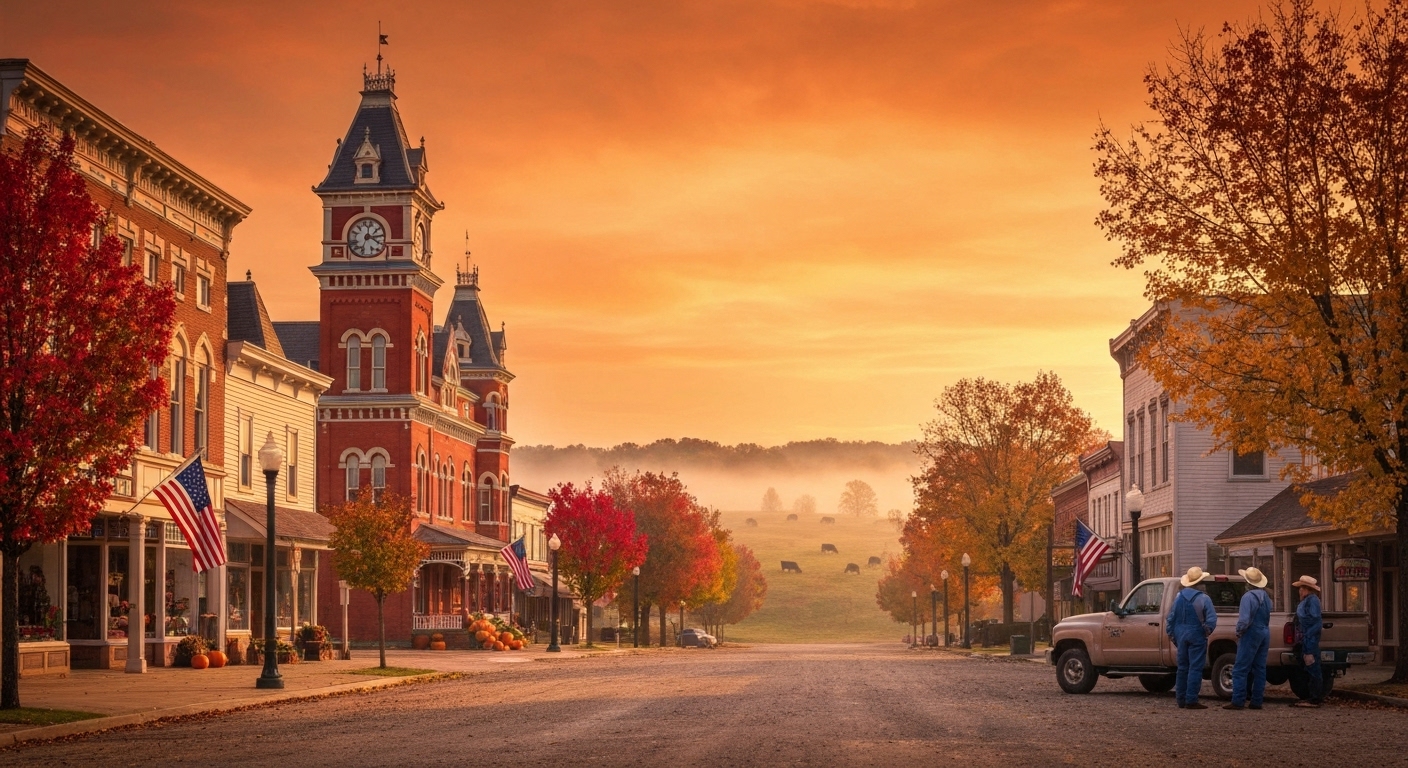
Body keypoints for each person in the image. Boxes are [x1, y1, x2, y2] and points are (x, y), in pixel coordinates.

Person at [1166, 566, 1217, 709]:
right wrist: (1206, 631)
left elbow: (1170, 618)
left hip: (1180, 634)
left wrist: (1172, 634)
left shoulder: (1178, 597)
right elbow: (1211, 620)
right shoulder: (1204, 598)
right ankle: (1191, 700)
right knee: (1195, 667)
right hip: (1196, 634)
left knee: (1182, 668)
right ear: (1199, 582)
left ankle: (1180, 699)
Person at [1225, 566, 1272, 710]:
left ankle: (1238, 700)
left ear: (1248, 582)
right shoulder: (1267, 598)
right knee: (1259, 668)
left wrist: (1239, 632)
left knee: (1240, 668)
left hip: (1251, 632)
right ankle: (1257, 701)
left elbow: (1244, 620)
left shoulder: (1248, 597)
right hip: (1264, 631)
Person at [1293, 575, 1324, 708]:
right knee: (1308, 665)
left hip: (1309, 638)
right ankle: (1311, 696)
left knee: (1312, 666)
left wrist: (1308, 635)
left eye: (1303, 588)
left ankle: (1315, 697)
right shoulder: (1307, 601)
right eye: (1300, 588)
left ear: (1308, 589)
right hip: (1306, 638)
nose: (1300, 590)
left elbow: (1315, 619)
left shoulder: (1312, 601)